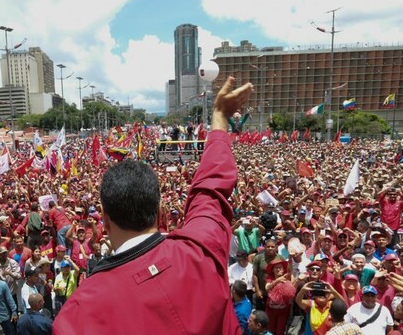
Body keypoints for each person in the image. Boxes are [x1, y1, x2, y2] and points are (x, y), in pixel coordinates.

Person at [52, 76, 253, 334]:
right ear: (160, 213)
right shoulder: (200, 249)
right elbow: (211, 190)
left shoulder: (78, 313)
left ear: (104, 218)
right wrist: (219, 121)